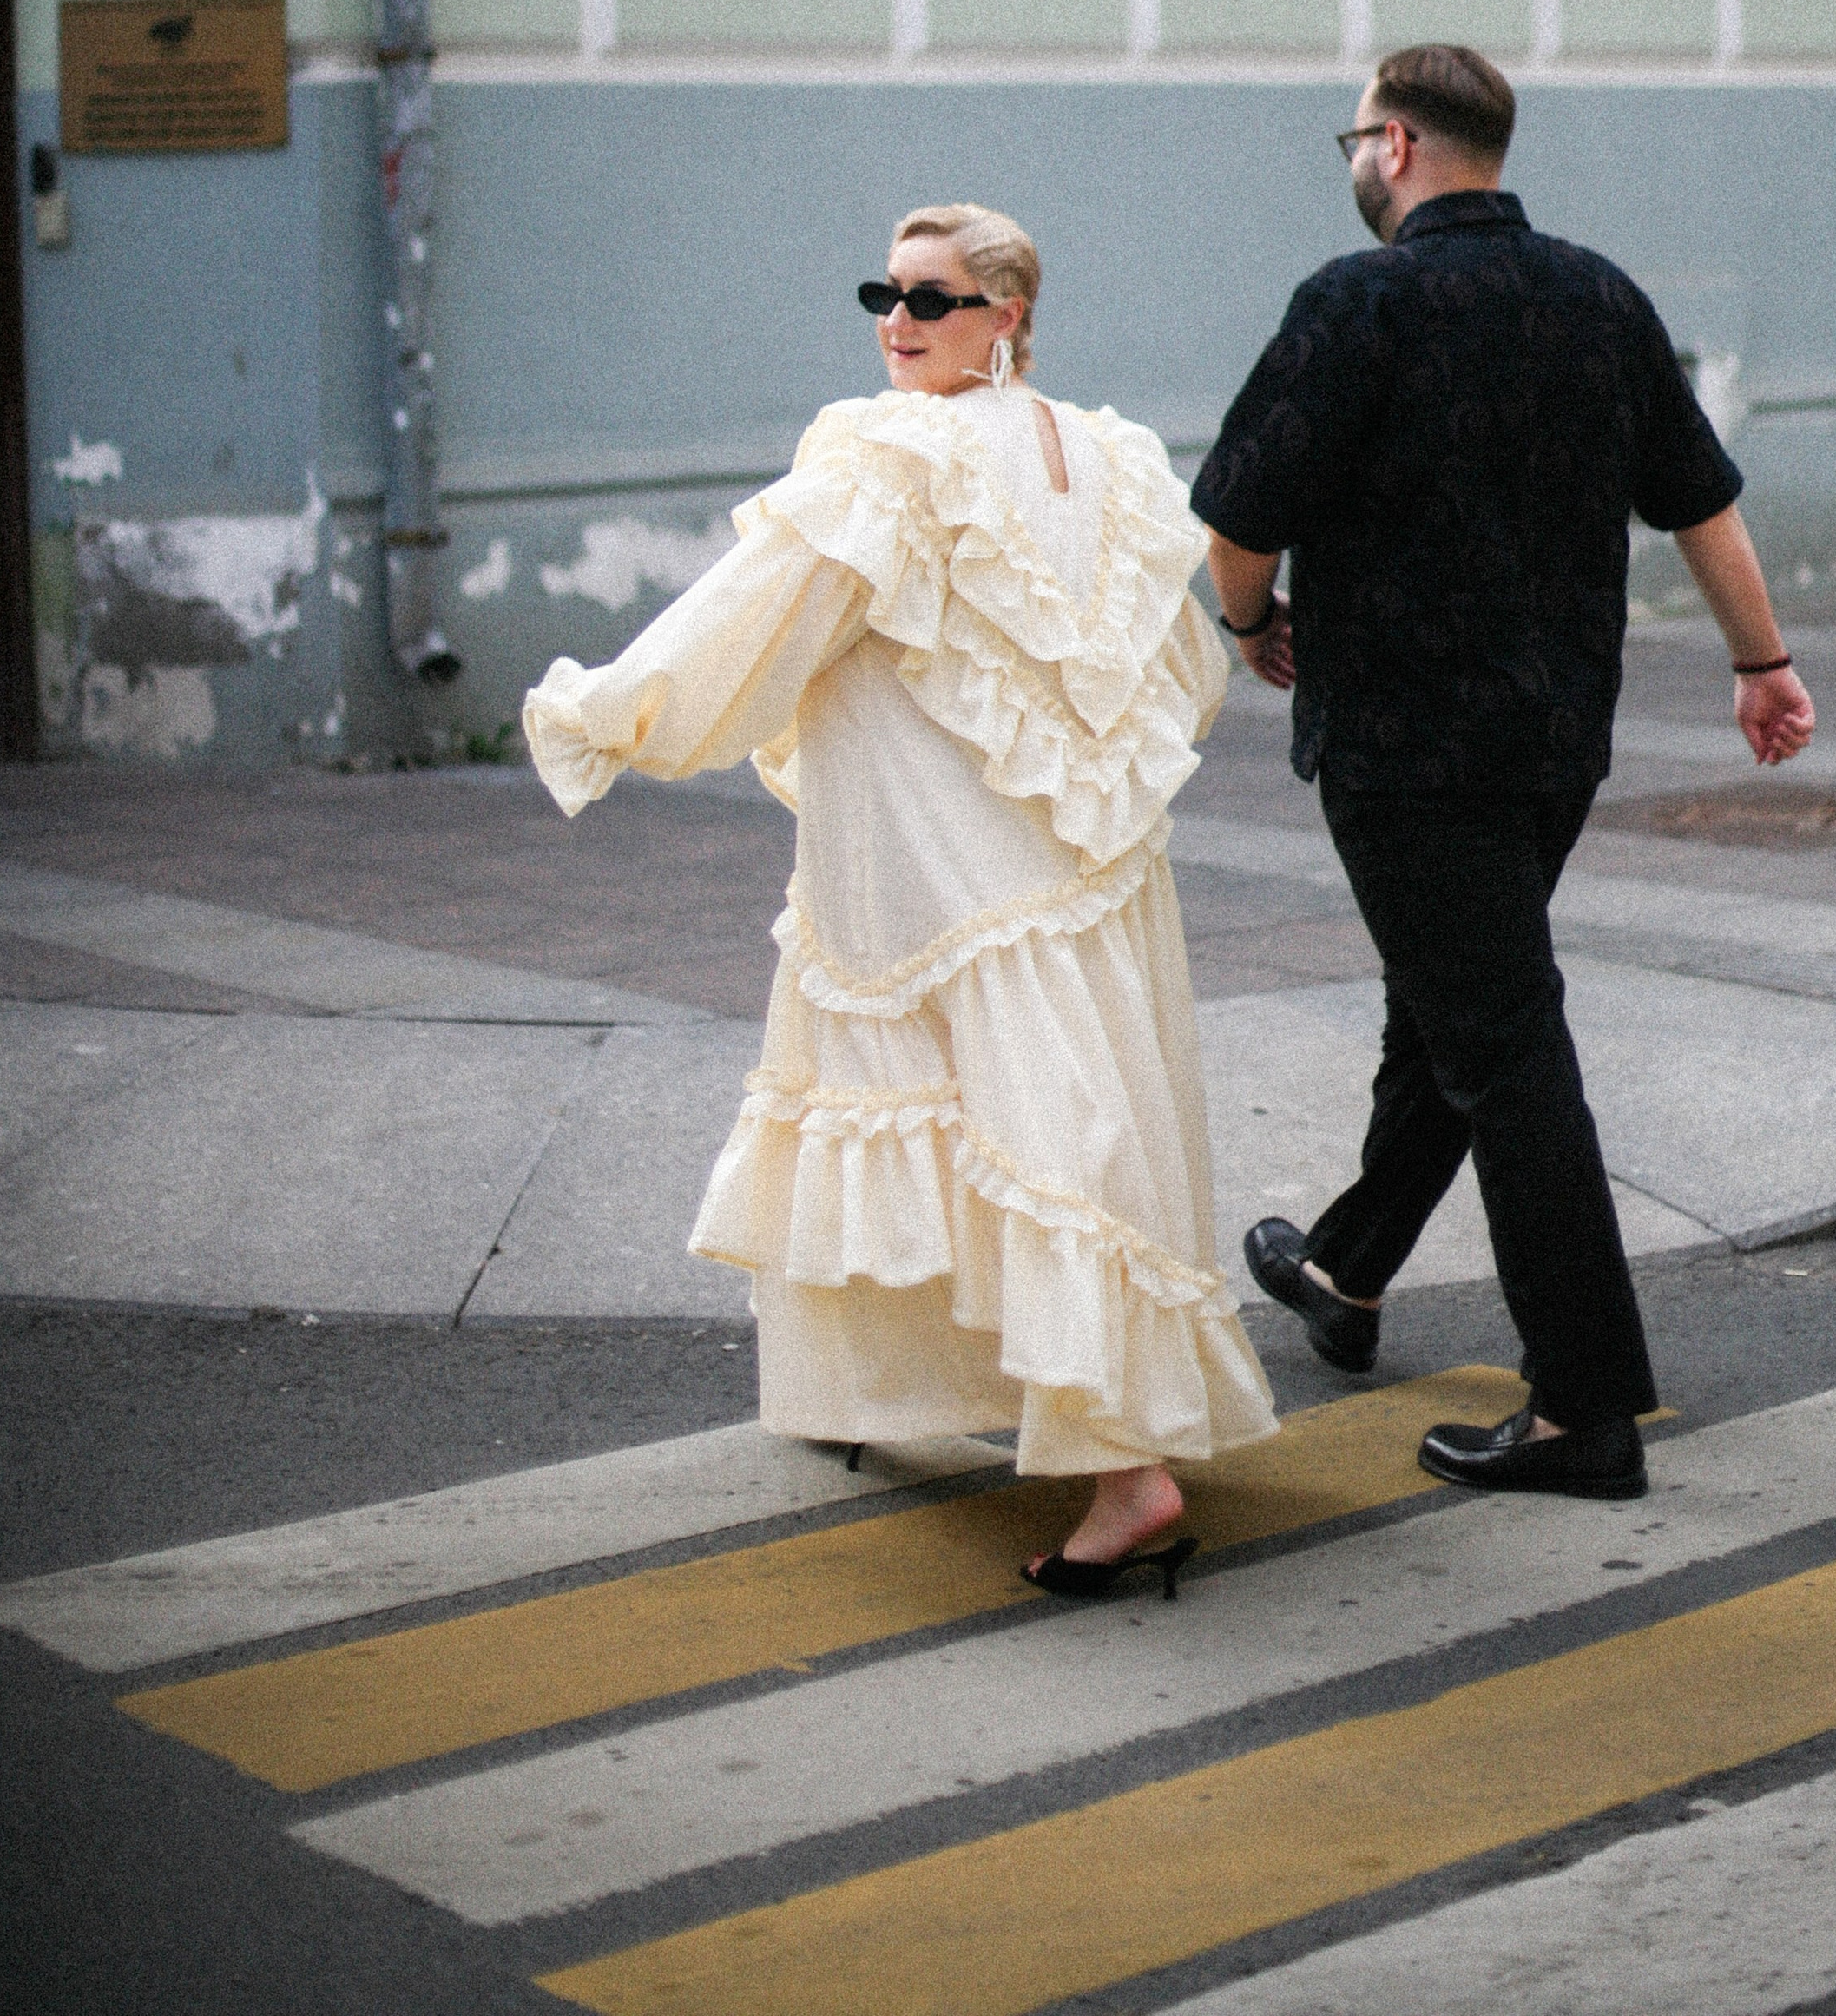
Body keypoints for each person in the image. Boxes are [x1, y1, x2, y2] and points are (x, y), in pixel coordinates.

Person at [523, 202, 1275, 1598]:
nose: (896, 320)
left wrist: (614, 712)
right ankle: (892, 1395)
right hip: (1066, 864)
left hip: (940, 865)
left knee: (1000, 1123)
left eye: (930, 298)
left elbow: (760, 613)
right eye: (883, 292)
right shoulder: (1108, 457)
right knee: (1046, 1114)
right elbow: (1184, 667)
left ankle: (1125, 1473)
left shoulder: (890, 453)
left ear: (1008, 318)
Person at [1191, 46, 1814, 1505]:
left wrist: (1246, 624)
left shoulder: (1352, 304)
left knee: (1503, 1045)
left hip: (1406, 751)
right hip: (1552, 745)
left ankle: (1582, 1409)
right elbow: (1703, 503)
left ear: (1396, 143)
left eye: (1354, 135)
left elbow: (1237, 516)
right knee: (1458, 1005)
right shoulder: (1598, 295)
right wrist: (1762, 665)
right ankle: (1344, 1272)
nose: (1354, 157)